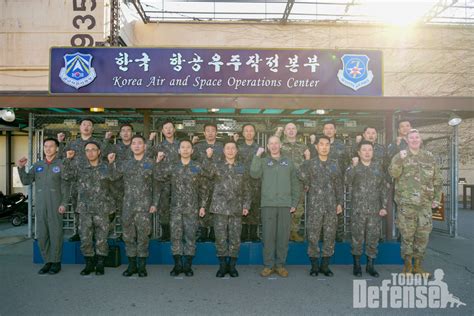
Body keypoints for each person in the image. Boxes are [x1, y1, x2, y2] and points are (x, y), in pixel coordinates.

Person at [389, 129, 443, 277]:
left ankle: (418, 266)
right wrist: (400, 159)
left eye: (417, 137)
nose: (414, 140)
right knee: (407, 235)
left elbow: (438, 180)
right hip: (406, 204)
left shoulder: (429, 157)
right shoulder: (400, 156)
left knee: (423, 236)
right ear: (407, 140)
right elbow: (393, 174)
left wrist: (436, 198)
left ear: (420, 140)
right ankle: (407, 265)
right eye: (411, 138)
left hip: (425, 205)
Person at [155, 139, 208, 277]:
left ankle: (188, 265)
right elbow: (158, 176)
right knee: (176, 236)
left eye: (188, 147)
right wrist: (159, 161)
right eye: (182, 147)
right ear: (178, 151)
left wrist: (202, 206)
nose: (185, 149)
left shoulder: (197, 167)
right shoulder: (173, 166)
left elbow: (203, 188)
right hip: (176, 208)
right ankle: (178, 265)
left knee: (190, 236)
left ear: (192, 150)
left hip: (192, 208)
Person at [108, 135, 158, 278]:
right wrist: (111, 163)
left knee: (143, 235)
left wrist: (154, 203)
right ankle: (131, 265)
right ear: (131, 147)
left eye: (140, 143)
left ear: (145, 146)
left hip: (144, 206)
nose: (136, 146)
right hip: (128, 205)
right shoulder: (125, 164)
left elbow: (156, 185)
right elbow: (112, 179)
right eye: (134, 143)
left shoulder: (151, 163)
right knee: (129, 236)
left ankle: (141, 266)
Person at [250, 136, 300, 278]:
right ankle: (268, 265)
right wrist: (257, 156)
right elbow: (254, 174)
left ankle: (280, 265)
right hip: (268, 204)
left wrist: (294, 202)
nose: (274, 146)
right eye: (271, 143)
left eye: (276, 143)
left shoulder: (288, 163)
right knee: (268, 236)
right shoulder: (264, 161)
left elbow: (295, 184)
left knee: (283, 237)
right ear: (267, 146)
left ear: (280, 145)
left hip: (285, 205)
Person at [62, 141, 114, 276]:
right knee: (85, 238)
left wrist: (113, 208)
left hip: (102, 209)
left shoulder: (106, 167)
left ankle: (100, 263)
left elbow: (114, 187)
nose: (90, 152)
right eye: (87, 150)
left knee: (102, 238)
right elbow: (66, 176)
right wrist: (68, 160)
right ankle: (89, 264)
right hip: (84, 210)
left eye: (93, 150)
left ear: (99, 152)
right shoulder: (80, 167)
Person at [17, 138, 67, 275]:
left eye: (51, 146)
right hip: (40, 204)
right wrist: (21, 168)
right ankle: (47, 261)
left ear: (57, 148)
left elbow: (65, 187)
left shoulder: (62, 164)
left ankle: (56, 262)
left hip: (55, 204)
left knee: (55, 234)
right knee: (42, 234)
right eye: (46, 146)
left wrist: (64, 203)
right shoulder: (38, 165)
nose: (48, 149)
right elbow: (26, 180)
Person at [58, 118, 111, 242]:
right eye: (84, 125)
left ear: (93, 128)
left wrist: (107, 140)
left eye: (89, 125)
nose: (86, 127)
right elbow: (62, 157)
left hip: (95, 182)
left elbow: (104, 157)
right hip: (78, 182)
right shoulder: (72, 144)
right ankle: (79, 231)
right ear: (80, 127)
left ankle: (95, 233)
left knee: (96, 209)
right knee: (78, 208)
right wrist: (60, 143)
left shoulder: (97, 143)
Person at [203, 141, 251, 278]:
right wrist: (208, 157)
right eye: (227, 148)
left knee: (235, 238)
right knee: (221, 238)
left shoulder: (242, 168)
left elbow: (247, 188)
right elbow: (206, 172)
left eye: (233, 148)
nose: (230, 150)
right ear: (223, 151)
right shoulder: (217, 166)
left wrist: (246, 205)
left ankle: (232, 266)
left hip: (236, 208)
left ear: (237, 151)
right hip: (220, 208)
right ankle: (223, 266)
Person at [299, 136, 343, 277]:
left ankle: (325, 266)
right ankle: (314, 266)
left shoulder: (335, 164)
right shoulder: (310, 164)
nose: (324, 147)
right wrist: (306, 161)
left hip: (331, 206)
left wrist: (340, 203)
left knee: (330, 236)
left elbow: (339, 186)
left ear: (330, 147)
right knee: (313, 236)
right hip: (315, 206)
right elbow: (301, 176)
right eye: (321, 144)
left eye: (327, 144)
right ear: (316, 147)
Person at [346, 140, 388, 278]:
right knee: (357, 238)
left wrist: (383, 206)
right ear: (359, 152)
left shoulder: (378, 168)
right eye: (364, 150)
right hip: (358, 210)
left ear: (373, 152)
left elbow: (383, 188)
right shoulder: (354, 167)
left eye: (369, 149)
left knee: (373, 238)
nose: (367, 152)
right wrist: (353, 166)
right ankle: (357, 265)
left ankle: (370, 266)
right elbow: (347, 181)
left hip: (374, 210)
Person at [274, 123, 310, 242]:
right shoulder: (280, 144)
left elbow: (307, 165)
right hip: (282, 181)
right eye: (288, 129)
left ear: (296, 131)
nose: (291, 131)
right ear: (284, 131)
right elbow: (271, 150)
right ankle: (282, 233)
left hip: (298, 181)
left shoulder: (303, 146)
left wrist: (307, 181)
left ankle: (293, 232)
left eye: (293, 128)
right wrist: (277, 134)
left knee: (298, 209)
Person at [147, 121, 181, 242]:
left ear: (174, 130)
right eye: (165, 128)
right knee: (164, 207)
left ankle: (178, 233)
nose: (168, 130)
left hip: (179, 182)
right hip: (163, 182)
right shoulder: (158, 146)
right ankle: (166, 233)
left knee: (179, 207)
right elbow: (146, 156)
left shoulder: (181, 145)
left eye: (170, 128)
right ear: (162, 131)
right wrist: (150, 141)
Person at [192, 123, 224, 242]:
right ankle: (203, 232)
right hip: (202, 181)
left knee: (216, 206)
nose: (210, 133)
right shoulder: (198, 147)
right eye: (208, 131)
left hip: (218, 181)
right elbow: (191, 160)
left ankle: (214, 232)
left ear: (216, 132)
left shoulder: (222, 146)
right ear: (204, 133)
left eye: (213, 130)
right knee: (202, 205)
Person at [107, 123, 134, 239]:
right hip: (116, 185)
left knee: (129, 213)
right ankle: (111, 233)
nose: (126, 133)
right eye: (123, 130)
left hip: (132, 186)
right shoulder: (114, 148)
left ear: (132, 133)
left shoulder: (137, 146)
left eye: (128, 130)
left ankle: (127, 235)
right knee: (113, 212)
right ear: (120, 134)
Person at [237, 124, 261, 242]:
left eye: (251, 130)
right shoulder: (238, 148)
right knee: (242, 207)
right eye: (246, 131)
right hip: (242, 182)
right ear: (243, 133)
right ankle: (243, 233)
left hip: (256, 183)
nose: (249, 133)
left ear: (255, 133)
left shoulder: (260, 149)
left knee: (255, 208)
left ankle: (253, 234)